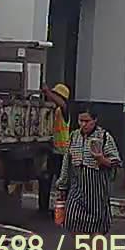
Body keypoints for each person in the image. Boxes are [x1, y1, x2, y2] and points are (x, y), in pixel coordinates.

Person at [56, 106, 121, 250]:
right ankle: (83, 249)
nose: (83, 124)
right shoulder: (74, 136)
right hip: (77, 184)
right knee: (72, 219)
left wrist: (101, 159)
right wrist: (62, 184)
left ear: (95, 120)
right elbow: (67, 162)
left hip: (97, 186)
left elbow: (115, 161)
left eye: (87, 121)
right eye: (81, 121)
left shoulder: (104, 137)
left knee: (96, 226)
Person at [37, 83, 73, 217]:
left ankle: (64, 211)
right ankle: (43, 209)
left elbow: (62, 104)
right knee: (45, 180)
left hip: (62, 153)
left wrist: (48, 92)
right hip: (51, 151)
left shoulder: (63, 111)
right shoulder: (51, 110)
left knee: (62, 184)